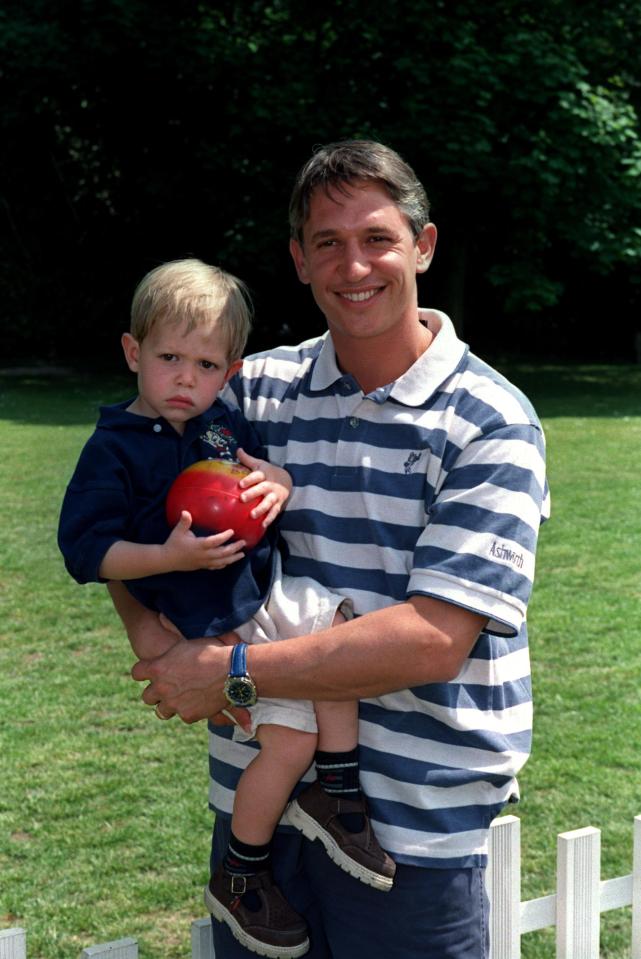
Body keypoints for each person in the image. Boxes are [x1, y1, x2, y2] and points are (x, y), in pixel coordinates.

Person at [114, 141, 550, 958]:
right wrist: (157, 646)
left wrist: (231, 672)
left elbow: (432, 639)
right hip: (258, 808)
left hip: (412, 825)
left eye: (377, 238)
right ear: (299, 262)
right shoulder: (250, 391)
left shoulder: (490, 421)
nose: (355, 265)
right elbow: (124, 502)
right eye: (328, 243)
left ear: (422, 246)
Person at [57, 258, 395, 959]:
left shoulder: (220, 421)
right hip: (203, 624)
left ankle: (335, 790)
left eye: (206, 364)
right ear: (133, 353)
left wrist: (277, 480)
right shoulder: (111, 448)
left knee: (339, 630)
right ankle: (241, 870)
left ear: (230, 370)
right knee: (288, 739)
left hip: (258, 595)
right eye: (169, 357)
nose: (186, 378)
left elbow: (252, 472)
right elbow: (86, 550)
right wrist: (164, 560)